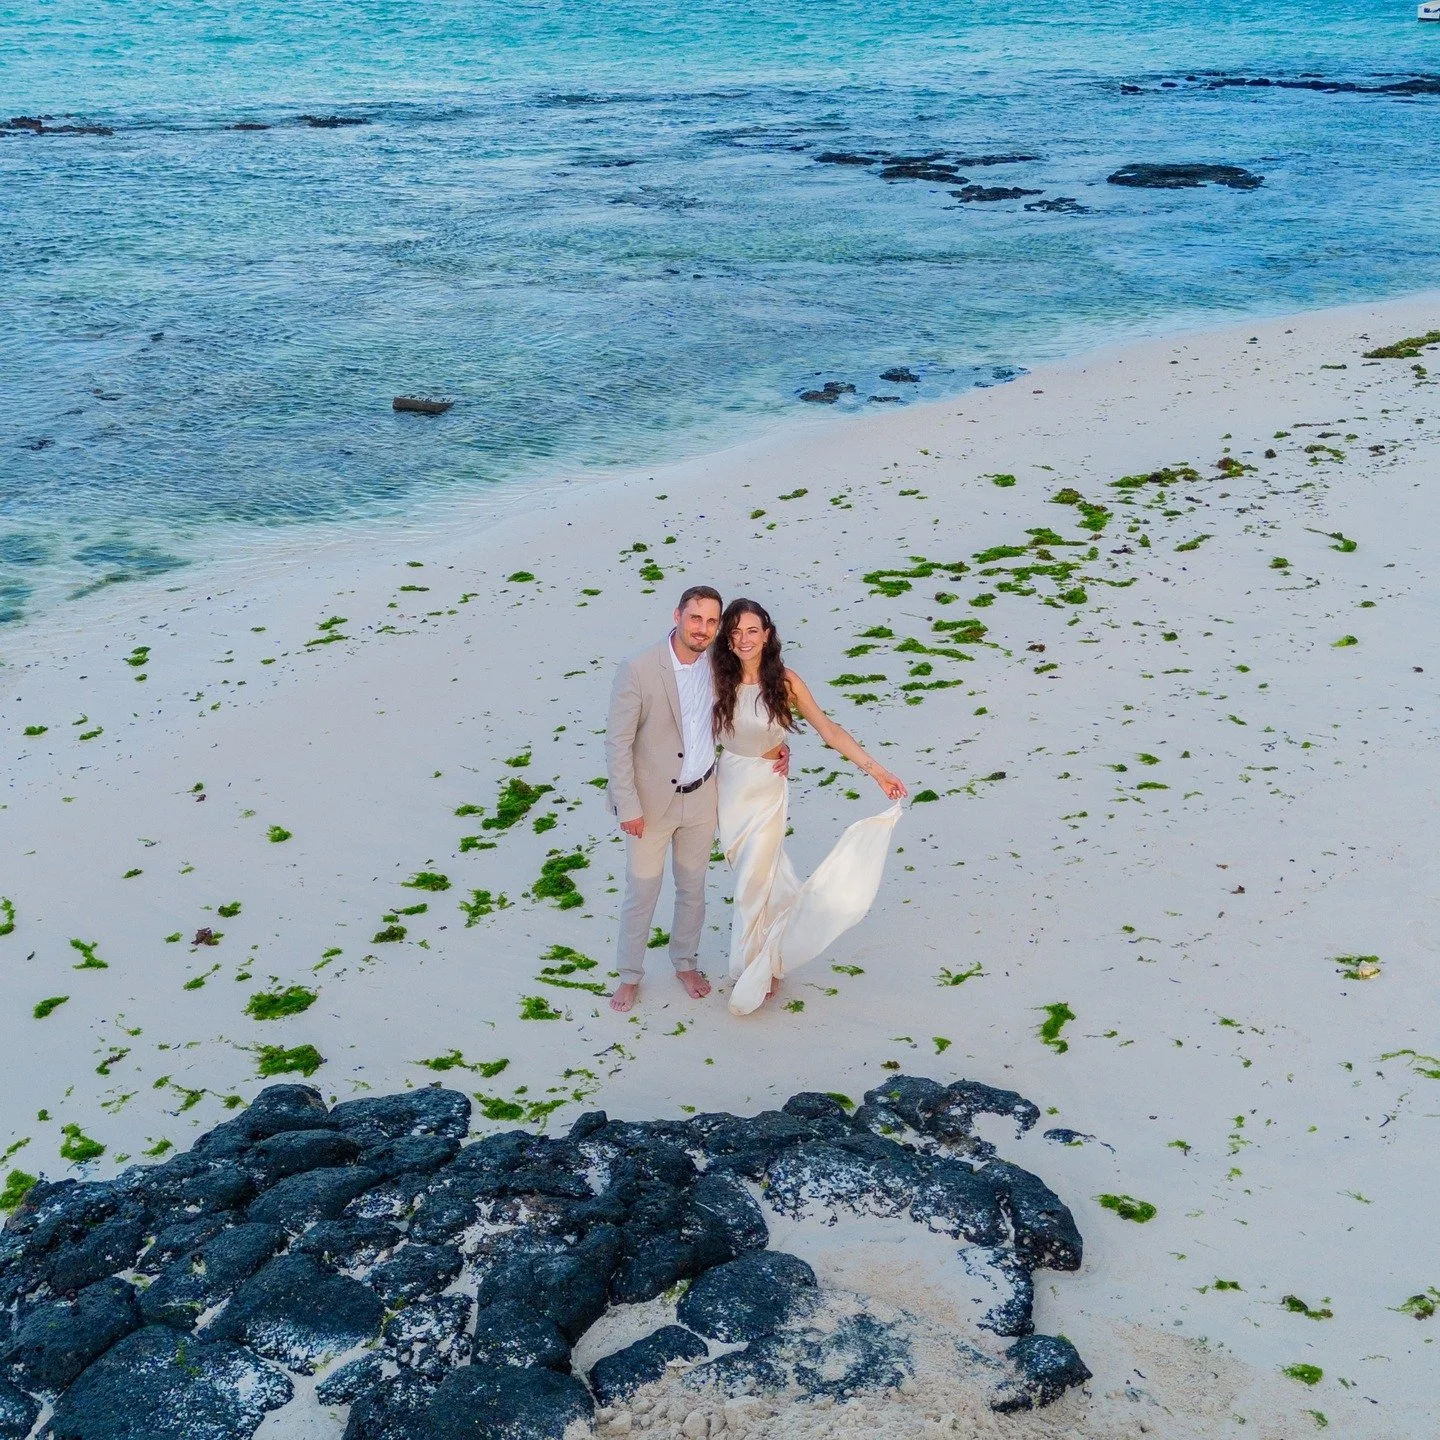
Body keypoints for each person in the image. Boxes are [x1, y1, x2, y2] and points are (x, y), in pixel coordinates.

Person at [712, 598, 906, 1016]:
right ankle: (774, 951)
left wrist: (878, 772)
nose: (744, 639)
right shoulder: (715, 679)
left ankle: (753, 970)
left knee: (751, 884)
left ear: (767, 635)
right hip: (728, 788)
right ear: (726, 639)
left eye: (752, 630)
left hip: (767, 789)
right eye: (736, 632)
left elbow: (829, 730)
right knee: (765, 878)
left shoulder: (784, 682)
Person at [604, 586, 787, 1013]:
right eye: (695, 618)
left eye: (711, 621)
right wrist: (627, 806)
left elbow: (747, 715)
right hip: (649, 804)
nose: (703, 629)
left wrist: (776, 746)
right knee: (642, 892)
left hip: (704, 795)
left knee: (692, 890)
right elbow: (617, 743)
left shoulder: (720, 666)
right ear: (678, 616)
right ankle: (629, 975)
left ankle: (685, 964)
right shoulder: (639, 668)